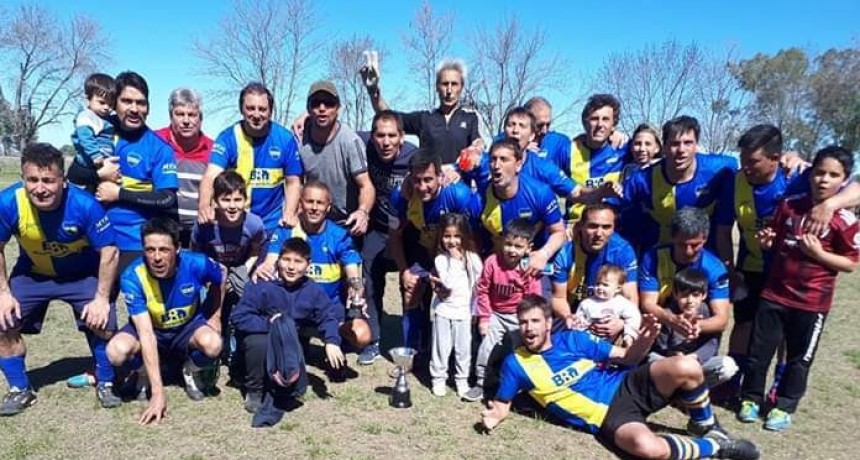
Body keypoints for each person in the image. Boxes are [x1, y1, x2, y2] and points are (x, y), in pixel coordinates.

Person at [481, 295, 760, 460]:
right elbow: (503, 403)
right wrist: (493, 417)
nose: (529, 328)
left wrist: (646, 339)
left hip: (627, 384)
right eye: (524, 322)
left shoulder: (574, 339)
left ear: (547, 323)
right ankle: (716, 446)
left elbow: (627, 357)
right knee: (648, 449)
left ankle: (704, 425)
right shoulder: (516, 363)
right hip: (607, 417)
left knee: (686, 366)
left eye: (535, 321)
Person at [738, 146, 859, 432]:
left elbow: (851, 263)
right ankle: (750, 399)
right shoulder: (789, 206)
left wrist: (819, 255)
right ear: (810, 174)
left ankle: (783, 406)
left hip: (812, 303)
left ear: (843, 180)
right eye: (820, 173)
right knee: (759, 352)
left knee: (799, 359)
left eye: (833, 175)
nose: (824, 180)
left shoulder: (845, 220)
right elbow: (775, 239)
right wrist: (767, 241)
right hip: (774, 294)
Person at [0, 143, 120, 415]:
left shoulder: (84, 204)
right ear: (22, 179)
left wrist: (102, 298)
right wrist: (3, 294)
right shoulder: (8, 202)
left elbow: (110, 252)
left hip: (81, 275)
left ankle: (106, 380)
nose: (40, 188)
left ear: (63, 182)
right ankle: (20, 389)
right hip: (34, 274)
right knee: (2, 321)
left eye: (48, 181)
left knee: (104, 321)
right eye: (32, 180)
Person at [714, 125, 805, 397]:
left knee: (783, 331)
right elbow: (722, 229)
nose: (746, 167)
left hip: (788, 271)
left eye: (752, 161)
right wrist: (730, 270)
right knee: (743, 322)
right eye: (743, 160)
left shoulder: (795, 178)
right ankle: (732, 379)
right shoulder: (737, 180)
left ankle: (778, 384)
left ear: (776, 158)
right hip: (749, 266)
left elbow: (851, 185)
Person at [106, 217, 224, 424]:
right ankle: (143, 373)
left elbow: (221, 275)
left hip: (187, 328)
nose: (157, 257)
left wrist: (215, 316)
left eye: (164, 250)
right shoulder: (132, 276)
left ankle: (190, 370)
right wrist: (158, 393)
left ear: (177, 248)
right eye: (150, 250)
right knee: (115, 352)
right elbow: (146, 334)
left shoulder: (197, 263)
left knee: (213, 344)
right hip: (152, 330)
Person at [69, 72, 179, 275]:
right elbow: (73, 174)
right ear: (114, 102)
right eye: (127, 101)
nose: (135, 109)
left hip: (134, 243)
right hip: (92, 239)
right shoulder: (98, 132)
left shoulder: (159, 147)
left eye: (141, 103)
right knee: (95, 305)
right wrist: (99, 175)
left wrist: (119, 194)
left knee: (142, 306)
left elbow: (167, 198)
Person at [231, 237, 346, 414]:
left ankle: (285, 382)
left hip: (289, 340)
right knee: (259, 343)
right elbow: (239, 317)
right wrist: (270, 325)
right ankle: (254, 389)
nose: (291, 267)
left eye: (298, 262)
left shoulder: (312, 289)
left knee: (290, 392)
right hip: (260, 338)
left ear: (308, 265)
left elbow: (328, 316)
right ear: (278, 260)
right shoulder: (261, 284)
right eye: (286, 260)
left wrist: (331, 341)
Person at [389, 150, 480, 352]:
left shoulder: (458, 194)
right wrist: (404, 271)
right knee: (411, 291)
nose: (422, 187)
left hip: (454, 255)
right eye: (417, 180)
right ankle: (411, 352)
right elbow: (394, 237)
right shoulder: (400, 196)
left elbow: (472, 238)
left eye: (428, 180)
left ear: (440, 176)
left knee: (455, 299)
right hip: (421, 251)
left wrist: (460, 271)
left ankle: (461, 354)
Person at [355, 111, 419, 365]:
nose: (386, 141)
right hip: (378, 228)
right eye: (380, 135)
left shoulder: (414, 155)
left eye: (392, 135)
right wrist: (306, 116)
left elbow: (438, 168)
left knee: (412, 284)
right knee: (369, 279)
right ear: (371, 137)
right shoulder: (363, 146)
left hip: (408, 232)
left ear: (402, 137)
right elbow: (336, 128)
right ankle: (373, 340)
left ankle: (412, 342)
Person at [198, 82, 303, 233]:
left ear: (271, 111)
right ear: (242, 109)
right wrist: (204, 206)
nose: (256, 115)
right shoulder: (228, 138)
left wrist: (289, 213)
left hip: (272, 225)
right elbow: (210, 176)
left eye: (262, 109)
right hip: (237, 224)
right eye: (250, 108)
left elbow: (293, 182)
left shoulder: (285, 139)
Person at [620, 116, 736, 252]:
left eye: (688, 143)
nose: (681, 149)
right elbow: (621, 224)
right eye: (675, 143)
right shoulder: (641, 180)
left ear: (696, 145)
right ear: (664, 147)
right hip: (659, 259)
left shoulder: (722, 169)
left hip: (704, 259)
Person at [462, 218, 543, 403]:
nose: (512, 250)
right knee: (486, 348)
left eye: (518, 246)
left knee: (521, 351)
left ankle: (520, 387)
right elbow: (482, 290)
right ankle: (482, 383)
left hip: (518, 315)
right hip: (495, 313)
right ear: (501, 242)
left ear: (528, 248)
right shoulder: (492, 262)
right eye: (508, 244)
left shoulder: (527, 269)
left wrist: (528, 322)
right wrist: (484, 318)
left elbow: (533, 300)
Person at [255, 181, 364, 311]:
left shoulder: (340, 237)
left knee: (360, 329)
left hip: (329, 309)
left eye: (320, 203)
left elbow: (353, 272)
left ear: (328, 207)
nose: (314, 207)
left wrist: (355, 288)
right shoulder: (285, 231)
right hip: (292, 307)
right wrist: (264, 269)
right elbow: (270, 262)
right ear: (301, 204)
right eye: (309, 201)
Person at [638, 208, 731, 359]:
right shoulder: (653, 257)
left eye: (695, 245)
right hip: (663, 329)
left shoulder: (715, 268)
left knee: (726, 368)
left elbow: (721, 319)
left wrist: (696, 326)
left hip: (697, 337)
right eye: (682, 244)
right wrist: (672, 320)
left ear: (705, 239)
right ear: (672, 237)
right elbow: (647, 304)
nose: (688, 251)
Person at [191, 171, 265, 354]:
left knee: (242, 302)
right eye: (226, 200)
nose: (232, 206)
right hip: (212, 270)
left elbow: (256, 251)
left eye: (238, 200)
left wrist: (244, 270)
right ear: (215, 201)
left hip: (239, 268)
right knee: (205, 302)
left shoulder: (254, 224)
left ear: (245, 201)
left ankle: (236, 348)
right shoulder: (205, 224)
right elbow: (195, 252)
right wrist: (207, 277)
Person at [363, 57, 484, 165]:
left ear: (461, 87)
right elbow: (388, 117)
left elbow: (478, 142)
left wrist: (476, 148)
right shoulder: (425, 119)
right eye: (445, 84)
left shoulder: (471, 118)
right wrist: (373, 92)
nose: (449, 90)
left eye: (454, 84)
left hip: (459, 185)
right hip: (427, 186)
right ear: (437, 87)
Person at [477, 138, 566, 277]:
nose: (496, 165)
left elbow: (559, 232)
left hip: (533, 267)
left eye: (504, 159)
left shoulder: (540, 193)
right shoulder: (480, 196)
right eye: (493, 159)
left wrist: (543, 254)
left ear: (518, 165)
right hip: (497, 266)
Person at [299, 81, 375, 235]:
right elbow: (294, 183)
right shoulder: (298, 138)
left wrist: (362, 212)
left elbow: (366, 185)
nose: (322, 108)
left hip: (345, 223)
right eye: (316, 103)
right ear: (308, 109)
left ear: (338, 108)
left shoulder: (350, 141)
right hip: (310, 221)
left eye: (328, 103)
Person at [460, 107, 580, 205]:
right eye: (511, 125)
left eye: (522, 126)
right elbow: (453, 172)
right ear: (504, 130)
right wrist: (453, 171)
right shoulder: (482, 161)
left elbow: (577, 192)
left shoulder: (543, 167)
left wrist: (598, 192)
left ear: (532, 135)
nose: (515, 130)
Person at [551, 204, 638, 338]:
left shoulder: (622, 251)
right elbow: (558, 297)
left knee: (632, 333)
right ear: (580, 226)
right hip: (574, 312)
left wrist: (620, 323)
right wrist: (568, 317)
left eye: (606, 227)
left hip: (610, 313)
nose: (599, 233)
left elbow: (630, 297)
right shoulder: (565, 252)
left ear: (614, 228)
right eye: (593, 226)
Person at [649, 268, 738, 388]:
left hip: (697, 362)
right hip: (671, 362)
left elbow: (711, 345)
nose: (690, 301)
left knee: (727, 366)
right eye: (684, 295)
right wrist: (674, 354)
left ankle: (695, 391)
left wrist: (694, 357)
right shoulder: (669, 314)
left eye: (695, 295)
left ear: (704, 295)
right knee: (651, 359)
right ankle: (671, 392)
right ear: (675, 294)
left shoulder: (709, 314)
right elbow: (661, 345)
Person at [427, 213, 482, 398]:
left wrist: (476, 310)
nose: (452, 241)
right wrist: (456, 259)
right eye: (447, 236)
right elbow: (448, 283)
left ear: (464, 236)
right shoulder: (441, 259)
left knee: (463, 349)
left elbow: (479, 281)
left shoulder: (472, 257)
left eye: (457, 236)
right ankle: (438, 378)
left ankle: (461, 380)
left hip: (464, 312)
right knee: (441, 347)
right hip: (444, 311)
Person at [557, 94, 630, 221]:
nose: (600, 124)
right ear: (585, 123)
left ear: (614, 124)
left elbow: (656, 157)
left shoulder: (624, 149)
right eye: (594, 119)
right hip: (576, 226)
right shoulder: (568, 151)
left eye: (606, 119)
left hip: (613, 227)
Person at [155, 88, 213, 247]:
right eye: (180, 114)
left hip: (200, 232)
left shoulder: (213, 150)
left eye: (192, 115)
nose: (186, 120)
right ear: (170, 116)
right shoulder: (156, 142)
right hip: (162, 231)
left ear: (200, 119)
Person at [570, 265, 640, 347]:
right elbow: (579, 319)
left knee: (624, 343)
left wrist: (629, 335)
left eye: (605, 285)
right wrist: (580, 324)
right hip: (590, 341)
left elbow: (634, 316)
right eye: (597, 284)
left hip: (612, 343)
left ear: (618, 288)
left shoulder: (621, 303)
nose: (600, 287)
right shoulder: (587, 303)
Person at [69, 73, 116, 193]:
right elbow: (85, 137)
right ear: (88, 100)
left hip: (101, 157)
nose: (106, 108)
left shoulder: (105, 118)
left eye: (110, 104)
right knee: (82, 188)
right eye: (101, 102)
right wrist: (95, 155)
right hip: (91, 158)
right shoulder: (87, 116)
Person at [523, 96, 571, 169]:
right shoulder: (508, 140)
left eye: (548, 124)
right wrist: (519, 151)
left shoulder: (560, 143)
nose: (544, 131)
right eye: (539, 125)